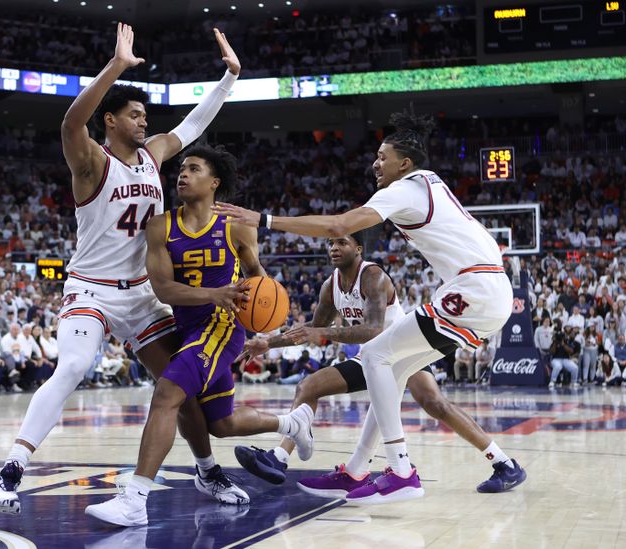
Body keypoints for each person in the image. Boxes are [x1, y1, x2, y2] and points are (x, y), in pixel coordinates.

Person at [0, 23, 243, 514]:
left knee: (179, 384)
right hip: (91, 289)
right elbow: (68, 124)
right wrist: (116, 66)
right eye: (135, 114)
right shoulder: (91, 161)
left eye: (146, 115)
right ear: (110, 119)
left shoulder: (154, 156)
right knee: (76, 365)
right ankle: (10, 471)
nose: (144, 122)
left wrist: (229, 79)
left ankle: (208, 472)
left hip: (144, 294)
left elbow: (191, 127)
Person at [213, 111, 522, 504]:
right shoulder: (429, 183)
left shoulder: (402, 194)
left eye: (382, 156)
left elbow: (338, 224)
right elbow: (316, 322)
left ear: (405, 163)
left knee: (380, 358)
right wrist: (271, 343)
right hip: (487, 292)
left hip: (473, 287)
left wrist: (265, 219)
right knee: (391, 372)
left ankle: (401, 470)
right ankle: (358, 470)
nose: (375, 163)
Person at [85, 146, 313, 527]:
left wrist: (263, 306)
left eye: (193, 169)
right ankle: (293, 422)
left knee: (167, 393)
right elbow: (163, 289)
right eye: (181, 169)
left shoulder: (237, 224)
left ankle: (135, 499)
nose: (182, 175)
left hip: (223, 328)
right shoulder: (160, 225)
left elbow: (258, 279)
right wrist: (213, 293)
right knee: (219, 425)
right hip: (189, 327)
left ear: (214, 182)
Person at [234, 233, 525, 496]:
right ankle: (280, 458)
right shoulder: (330, 286)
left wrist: (321, 333)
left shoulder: (373, 276)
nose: (334, 248)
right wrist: (268, 343)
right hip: (374, 358)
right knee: (309, 386)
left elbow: (373, 329)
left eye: (342, 242)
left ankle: (502, 462)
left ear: (358, 248)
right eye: (330, 243)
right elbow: (314, 328)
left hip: (405, 347)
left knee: (435, 404)